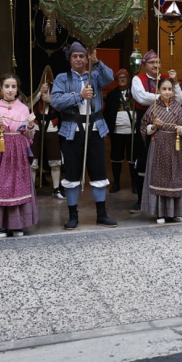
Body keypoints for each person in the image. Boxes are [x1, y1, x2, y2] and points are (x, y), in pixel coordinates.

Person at [50, 42, 117, 229]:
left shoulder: (94, 76)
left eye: (82, 56)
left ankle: (101, 214)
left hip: (95, 129)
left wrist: (97, 62)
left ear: (86, 58)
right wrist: (79, 96)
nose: (79, 59)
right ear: (69, 59)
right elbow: (56, 100)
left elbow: (110, 77)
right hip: (72, 131)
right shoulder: (62, 78)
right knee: (71, 174)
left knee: (98, 172)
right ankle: (73, 215)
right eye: (75, 56)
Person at [0, 73, 39, 237]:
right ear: (1, 88)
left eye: (13, 86)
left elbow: (29, 136)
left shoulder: (24, 108)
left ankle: (17, 224)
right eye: (7, 86)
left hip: (18, 150)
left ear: (17, 89)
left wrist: (31, 126)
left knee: (19, 186)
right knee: (1, 186)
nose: (10, 90)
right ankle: (2, 225)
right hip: (1, 151)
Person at [131, 50, 182, 211]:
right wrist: (165, 96)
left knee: (165, 163)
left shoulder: (166, 81)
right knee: (142, 160)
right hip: (145, 121)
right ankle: (141, 199)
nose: (156, 65)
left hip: (166, 125)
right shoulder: (137, 79)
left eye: (158, 62)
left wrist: (175, 83)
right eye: (152, 62)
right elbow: (141, 97)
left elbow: (180, 100)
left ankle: (164, 204)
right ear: (145, 65)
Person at [141, 78, 182, 223]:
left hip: (174, 148)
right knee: (160, 178)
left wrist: (181, 129)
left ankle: (176, 212)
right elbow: (144, 128)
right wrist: (155, 127)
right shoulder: (154, 108)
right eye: (164, 89)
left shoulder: (177, 107)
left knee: (175, 178)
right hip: (159, 146)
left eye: (170, 89)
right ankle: (160, 213)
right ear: (158, 91)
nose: (167, 92)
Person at [31, 69, 65, 200]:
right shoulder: (33, 89)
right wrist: (39, 93)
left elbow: (62, 106)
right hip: (35, 124)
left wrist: (51, 100)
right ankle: (31, 189)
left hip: (52, 125)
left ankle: (56, 189)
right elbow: (28, 104)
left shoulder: (58, 89)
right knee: (33, 160)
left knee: (55, 159)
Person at [104, 68, 138, 194]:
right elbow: (107, 114)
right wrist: (106, 130)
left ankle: (135, 184)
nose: (122, 79)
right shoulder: (112, 95)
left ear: (129, 79)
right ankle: (116, 183)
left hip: (132, 132)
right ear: (117, 80)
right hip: (117, 131)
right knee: (116, 158)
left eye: (125, 77)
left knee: (133, 158)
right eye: (120, 77)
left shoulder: (135, 93)